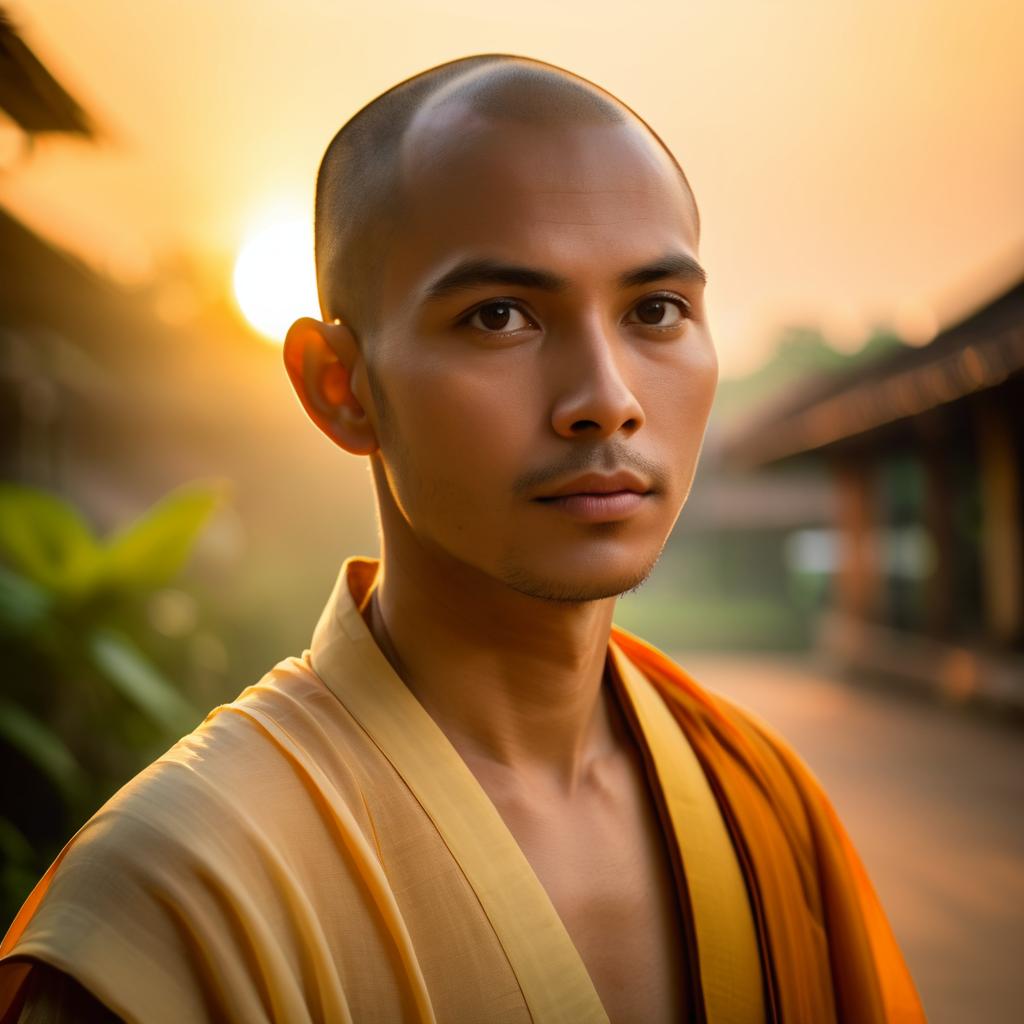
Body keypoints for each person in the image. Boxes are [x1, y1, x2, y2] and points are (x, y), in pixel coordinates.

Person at [0, 54, 926, 1023]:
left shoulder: (765, 806)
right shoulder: (177, 895)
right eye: (500, 316)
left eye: (655, 310)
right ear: (340, 386)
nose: (605, 401)